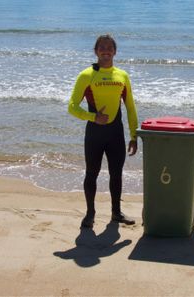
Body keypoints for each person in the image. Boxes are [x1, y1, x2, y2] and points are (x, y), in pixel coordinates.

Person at [68, 34, 138, 228]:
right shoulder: (86, 75)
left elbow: (131, 107)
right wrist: (93, 117)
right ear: (96, 51)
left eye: (110, 47)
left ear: (115, 51)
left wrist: (134, 135)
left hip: (116, 133)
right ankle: (90, 213)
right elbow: (72, 106)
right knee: (92, 173)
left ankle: (116, 213)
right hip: (94, 134)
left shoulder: (122, 76)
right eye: (102, 47)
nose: (106, 50)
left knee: (117, 174)